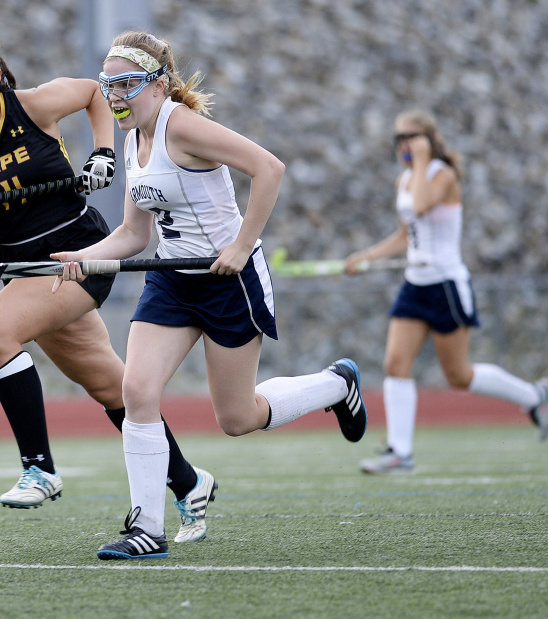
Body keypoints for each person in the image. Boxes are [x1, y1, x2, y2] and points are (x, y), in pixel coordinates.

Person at [52, 31, 368, 560]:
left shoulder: (185, 127)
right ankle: (147, 528)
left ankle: (338, 384)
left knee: (237, 418)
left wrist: (243, 246)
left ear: (158, 85)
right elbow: (136, 235)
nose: (116, 96)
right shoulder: (134, 141)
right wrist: (87, 257)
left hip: (228, 281)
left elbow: (270, 168)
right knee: (138, 390)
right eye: (109, 86)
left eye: (127, 84)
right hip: (173, 279)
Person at [0, 29, 218, 544]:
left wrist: (103, 152)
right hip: (24, 270)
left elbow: (91, 93)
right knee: (112, 387)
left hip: (78, 257)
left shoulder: (34, 106)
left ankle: (39, 467)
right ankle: (189, 482)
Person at [345, 109, 548, 474]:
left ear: (428, 141)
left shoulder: (442, 176)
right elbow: (407, 234)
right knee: (395, 363)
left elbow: (422, 205)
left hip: (446, 286)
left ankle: (534, 396)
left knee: (459, 376)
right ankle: (400, 453)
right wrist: (367, 257)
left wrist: (423, 159)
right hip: (415, 284)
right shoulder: (405, 179)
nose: (403, 146)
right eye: (399, 139)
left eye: (411, 138)